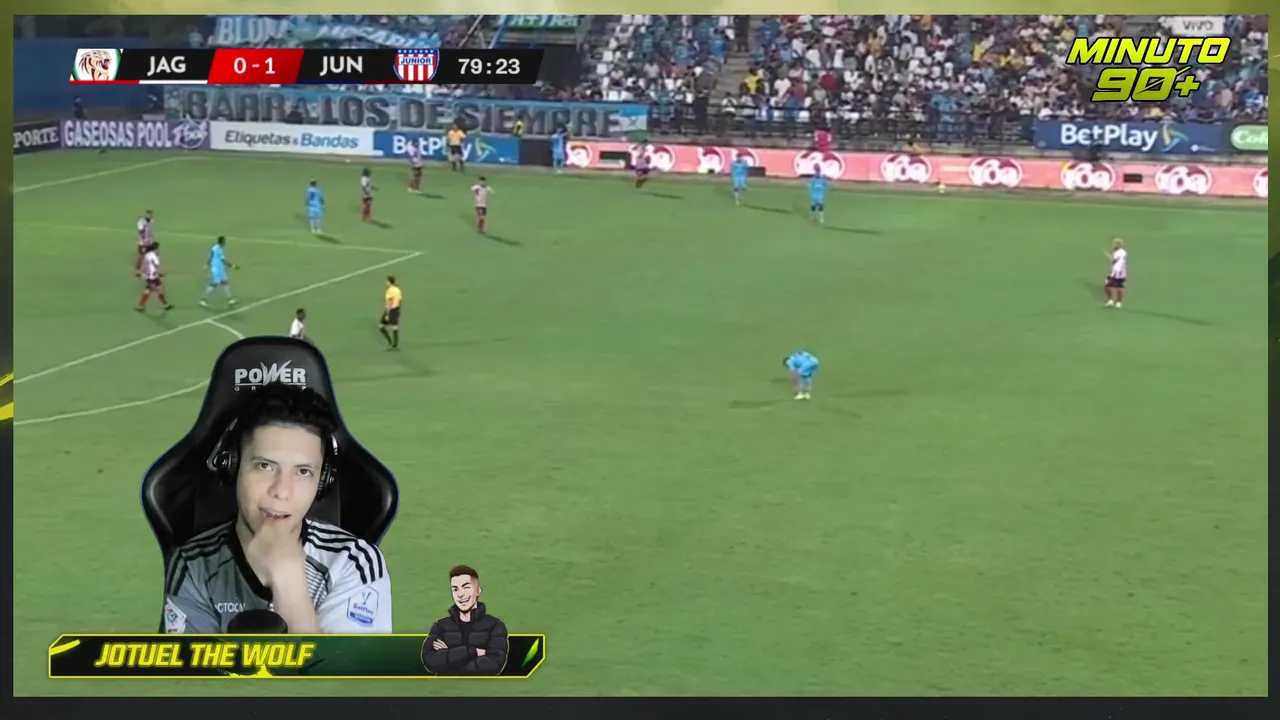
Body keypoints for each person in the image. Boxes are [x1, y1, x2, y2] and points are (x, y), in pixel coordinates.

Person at [161, 382, 393, 634]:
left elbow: (341, 662)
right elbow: (190, 661)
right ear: (233, 466)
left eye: (303, 472)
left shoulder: (354, 563)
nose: (281, 491)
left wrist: (289, 585)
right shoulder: (192, 565)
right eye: (265, 466)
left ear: (323, 481)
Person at [422, 565, 508, 676]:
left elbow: (494, 666)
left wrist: (450, 658)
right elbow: (430, 662)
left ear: (478, 591)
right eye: (455, 589)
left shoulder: (495, 626)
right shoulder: (440, 626)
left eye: (466, 587)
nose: (460, 594)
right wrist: (474, 652)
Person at [200, 236, 237, 308]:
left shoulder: (215, 248)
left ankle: (230, 299)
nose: (225, 243)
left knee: (225, 283)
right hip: (217, 270)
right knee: (214, 285)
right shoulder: (218, 249)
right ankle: (203, 300)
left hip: (219, 269)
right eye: (224, 241)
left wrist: (207, 264)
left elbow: (211, 257)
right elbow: (223, 261)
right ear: (222, 242)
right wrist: (233, 266)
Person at [136, 242, 173, 313]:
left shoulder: (147, 255)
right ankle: (141, 306)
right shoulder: (154, 256)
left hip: (149, 276)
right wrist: (160, 273)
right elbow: (156, 265)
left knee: (157, 289)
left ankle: (165, 305)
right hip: (152, 277)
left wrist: (141, 273)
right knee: (149, 291)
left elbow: (145, 265)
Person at [1104, 238, 1128, 309]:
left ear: (1117, 245)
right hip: (1121, 272)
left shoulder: (1118, 253)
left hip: (1117, 272)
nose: (1113, 245)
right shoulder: (1123, 252)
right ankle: (1118, 303)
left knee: (1107, 286)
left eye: (1114, 244)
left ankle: (1111, 301)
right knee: (1119, 286)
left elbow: (1114, 261)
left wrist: (1109, 256)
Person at [379, 276, 402, 350]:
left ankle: (390, 342)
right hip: (396, 309)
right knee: (395, 326)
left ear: (389, 282)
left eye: (387, 281)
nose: (386, 282)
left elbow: (390, 301)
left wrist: (387, 314)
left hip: (390, 310)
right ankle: (395, 345)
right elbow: (400, 300)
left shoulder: (390, 290)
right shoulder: (398, 289)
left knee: (381, 326)